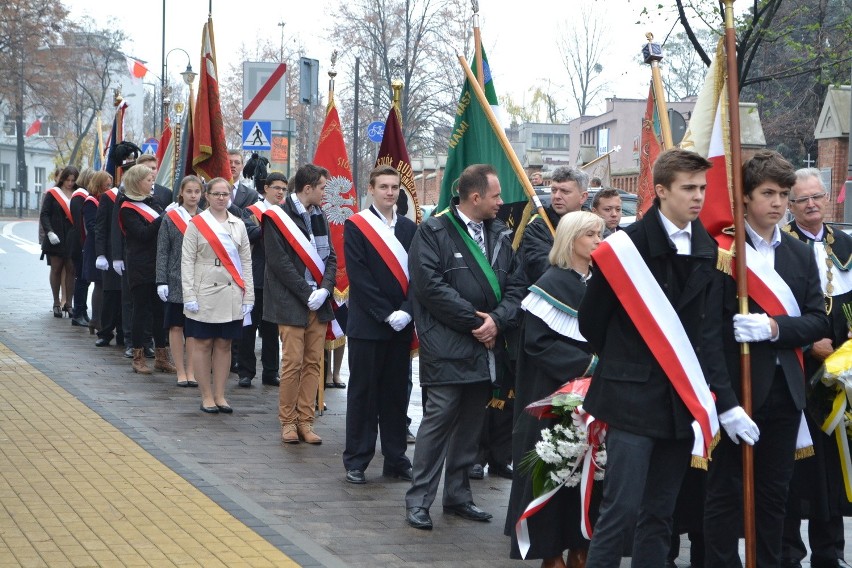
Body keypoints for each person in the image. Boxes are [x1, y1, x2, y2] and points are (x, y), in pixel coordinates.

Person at [579, 149, 734, 567]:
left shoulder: (709, 251)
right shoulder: (625, 249)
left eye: (702, 187)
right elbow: (591, 323)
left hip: (678, 401)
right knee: (621, 510)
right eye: (688, 188)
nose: (698, 197)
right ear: (662, 191)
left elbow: (708, 333)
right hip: (630, 397)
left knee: (661, 514)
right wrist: (632, 360)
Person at [703, 151, 830, 567]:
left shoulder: (798, 253)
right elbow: (706, 335)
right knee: (726, 494)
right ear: (745, 198)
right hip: (736, 393)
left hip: (786, 392)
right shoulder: (723, 252)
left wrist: (775, 328)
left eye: (782, 194)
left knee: (776, 495)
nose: (777, 202)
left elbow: (815, 321)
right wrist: (725, 403)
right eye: (767, 193)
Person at [404, 163, 524, 531]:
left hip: (486, 347)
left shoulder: (501, 233)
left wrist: (498, 321)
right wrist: (479, 322)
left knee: (472, 424)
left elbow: (518, 287)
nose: (501, 203)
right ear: (475, 197)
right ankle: (419, 500)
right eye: (496, 196)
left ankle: (457, 496)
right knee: (438, 423)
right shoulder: (434, 232)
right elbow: (430, 288)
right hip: (447, 345)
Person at [506, 211, 603, 568]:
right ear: (571, 239)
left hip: (595, 398)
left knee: (591, 472)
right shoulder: (549, 284)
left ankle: (582, 544)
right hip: (555, 398)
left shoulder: (600, 283)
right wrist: (588, 366)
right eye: (591, 234)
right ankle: (551, 552)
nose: (598, 240)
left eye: (600, 233)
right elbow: (538, 343)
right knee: (555, 469)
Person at [780, 167, 852, 568]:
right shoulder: (781, 246)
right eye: (802, 199)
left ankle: (830, 553)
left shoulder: (845, 244)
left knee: (834, 467)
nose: (811, 204)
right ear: (790, 205)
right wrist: (808, 344)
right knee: (795, 466)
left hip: (839, 379)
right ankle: (789, 553)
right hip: (796, 373)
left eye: (817, 196)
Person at [342, 165, 417, 484]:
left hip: (401, 326)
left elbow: (420, 275)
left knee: (397, 394)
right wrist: (387, 313)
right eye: (384, 187)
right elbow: (359, 277)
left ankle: (396, 457)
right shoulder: (357, 226)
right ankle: (357, 460)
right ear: (370, 190)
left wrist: (408, 310)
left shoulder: (410, 229)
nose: (390, 192)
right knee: (363, 394)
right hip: (369, 326)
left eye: (395, 187)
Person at [263, 164, 337, 444]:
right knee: (292, 363)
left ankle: (306, 421)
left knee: (313, 363)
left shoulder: (321, 217)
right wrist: (307, 292)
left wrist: (326, 289)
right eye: (322, 188)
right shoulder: (277, 216)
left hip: (318, 302)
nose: (324, 193)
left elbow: (330, 257)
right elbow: (279, 262)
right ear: (308, 189)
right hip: (291, 301)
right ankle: (288, 422)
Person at [181, 177, 254, 413]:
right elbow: (187, 261)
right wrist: (189, 294)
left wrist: (249, 296)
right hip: (204, 290)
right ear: (207, 196)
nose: (221, 198)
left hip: (232, 290)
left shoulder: (239, 224)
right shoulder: (197, 223)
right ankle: (206, 396)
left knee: (224, 344)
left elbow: (245, 262)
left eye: (225, 194)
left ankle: (220, 395)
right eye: (217, 194)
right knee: (202, 343)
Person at [118, 164, 175, 375]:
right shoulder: (126, 207)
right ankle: (138, 357)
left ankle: (161, 357)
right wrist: (163, 217)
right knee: (140, 311)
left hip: (159, 263)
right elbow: (142, 234)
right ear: (137, 182)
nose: (153, 183)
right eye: (149, 179)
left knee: (160, 312)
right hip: (140, 265)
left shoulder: (154, 202)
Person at [237, 173, 286, 388]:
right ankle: (245, 372)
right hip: (255, 276)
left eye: (284, 189)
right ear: (266, 188)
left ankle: (271, 371)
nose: (280, 192)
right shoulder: (252, 210)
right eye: (276, 188)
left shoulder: (286, 213)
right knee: (249, 328)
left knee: (271, 330)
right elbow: (248, 233)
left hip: (277, 279)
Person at [156, 176, 203, 388]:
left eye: (197, 191)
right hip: (175, 278)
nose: (193, 195)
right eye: (189, 191)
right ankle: (180, 371)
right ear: (181, 193)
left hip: (199, 279)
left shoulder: (206, 218)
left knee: (192, 328)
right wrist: (161, 280)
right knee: (176, 326)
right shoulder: (171, 217)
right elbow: (163, 251)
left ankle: (192, 370)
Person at [520, 167, 589, 284]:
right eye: (554, 190)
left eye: (565, 192)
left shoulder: (596, 226)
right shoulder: (538, 227)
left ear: (583, 197)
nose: (557, 196)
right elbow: (543, 267)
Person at [40, 166, 79, 318]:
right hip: (55, 237)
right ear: (62, 178)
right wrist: (49, 232)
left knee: (71, 269)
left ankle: (69, 303)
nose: (70, 183)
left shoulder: (79, 192)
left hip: (72, 237)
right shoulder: (53, 194)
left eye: (73, 180)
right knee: (56, 269)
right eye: (67, 180)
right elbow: (44, 214)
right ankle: (56, 302)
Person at [81, 172, 112, 338]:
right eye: (107, 185)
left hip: (103, 246)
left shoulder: (104, 199)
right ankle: (96, 319)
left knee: (104, 284)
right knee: (99, 283)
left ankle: (100, 319)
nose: (109, 188)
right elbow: (92, 226)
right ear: (99, 185)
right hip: (95, 248)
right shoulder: (91, 201)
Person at [94, 173, 122, 347]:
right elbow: (101, 227)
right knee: (111, 294)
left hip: (130, 254)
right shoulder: (109, 197)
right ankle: (105, 332)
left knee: (128, 298)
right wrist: (101, 254)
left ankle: (124, 333)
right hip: (111, 254)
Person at [69, 168, 94, 327]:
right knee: (81, 279)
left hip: (81, 242)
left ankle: (82, 311)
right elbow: (80, 223)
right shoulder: (80, 196)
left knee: (84, 280)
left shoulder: (82, 195)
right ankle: (78, 313)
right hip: (79, 243)